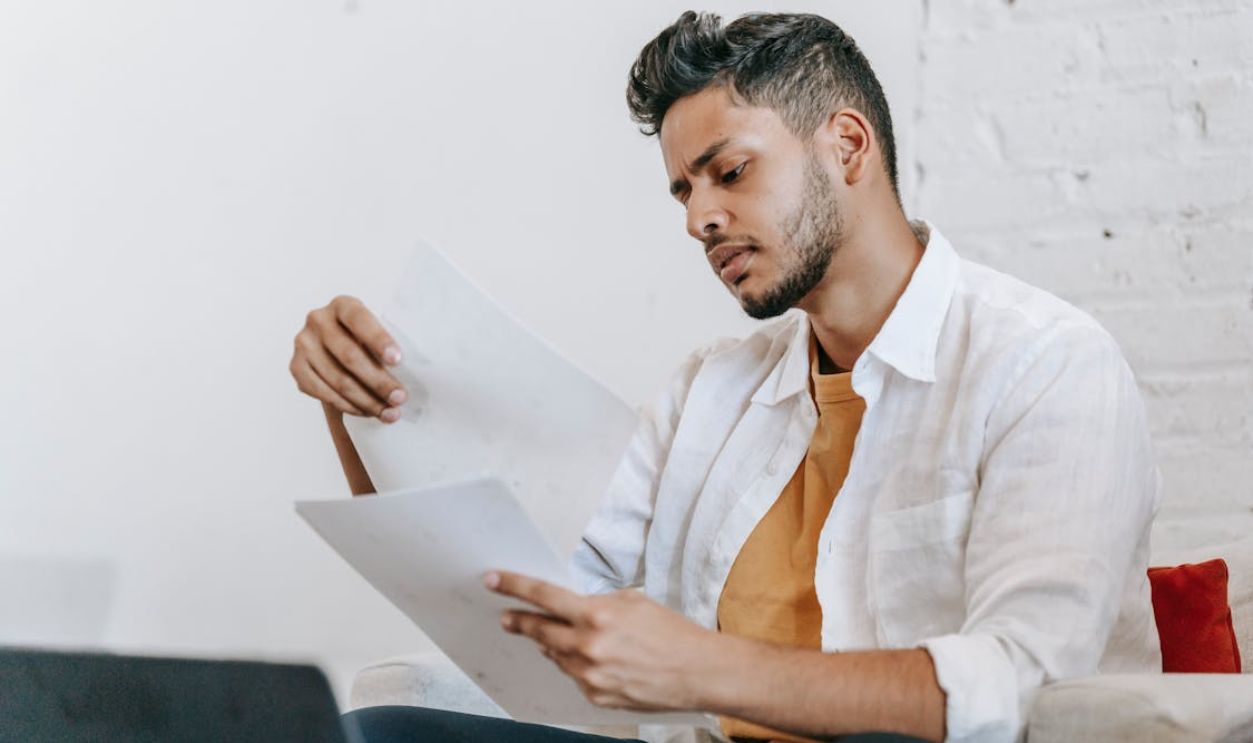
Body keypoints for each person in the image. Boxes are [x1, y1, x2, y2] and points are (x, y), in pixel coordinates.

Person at [291, 11, 1160, 743]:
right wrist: (364, 404)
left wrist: (704, 666)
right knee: (388, 727)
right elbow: (518, 596)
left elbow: (1022, 684)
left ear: (847, 146)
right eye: (681, 192)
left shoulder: (1045, 365)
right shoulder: (710, 392)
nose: (701, 218)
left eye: (730, 173)